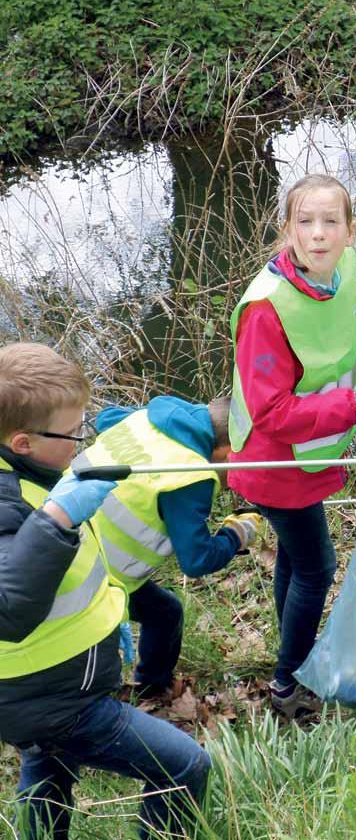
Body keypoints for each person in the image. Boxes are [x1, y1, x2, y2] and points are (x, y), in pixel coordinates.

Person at [0, 343, 210, 840]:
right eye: (71, 432)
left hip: (44, 690)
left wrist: (106, 617)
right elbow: (10, 606)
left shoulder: (30, 472)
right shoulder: (11, 503)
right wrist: (58, 516)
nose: (80, 440)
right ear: (24, 441)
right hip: (55, 702)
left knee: (48, 773)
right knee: (185, 768)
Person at [228, 174, 356, 718]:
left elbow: (343, 343)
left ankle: (290, 660)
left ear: (351, 232)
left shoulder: (345, 271)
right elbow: (271, 412)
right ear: (286, 230)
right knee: (316, 566)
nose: (318, 233)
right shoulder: (266, 308)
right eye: (305, 221)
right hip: (274, 463)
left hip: (314, 453)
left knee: (294, 556)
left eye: (331, 221)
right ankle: (289, 682)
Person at [72, 394, 262, 699]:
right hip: (93, 576)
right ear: (229, 454)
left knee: (164, 613)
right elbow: (197, 560)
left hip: (60, 536)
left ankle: (151, 687)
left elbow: (106, 416)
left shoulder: (146, 419)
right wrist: (236, 534)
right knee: (145, 625)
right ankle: (133, 696)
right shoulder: (190, 475)